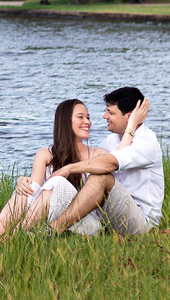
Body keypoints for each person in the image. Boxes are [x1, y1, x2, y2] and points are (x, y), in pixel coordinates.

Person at [43, 86, 163, 236]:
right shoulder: (111, 141)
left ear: (130, 116)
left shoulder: (146, 141)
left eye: (111, 112)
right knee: (93, 175)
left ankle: (53, 230)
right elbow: (93, 165)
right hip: (110, 214)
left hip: (141, 221)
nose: (104, 116)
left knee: (102, 177)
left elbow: (111, 163)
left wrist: (69, 168)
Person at [0, 98, 96, 240]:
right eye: (81, 117)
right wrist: (21, 181)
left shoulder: (97, 154)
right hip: (54, 217)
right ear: (65, 121)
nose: (87, 122)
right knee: (25, 190)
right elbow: (34, 188)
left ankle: (14, 237)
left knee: (57, 181)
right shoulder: (46, 154)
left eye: (88, 118)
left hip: (83, 220)